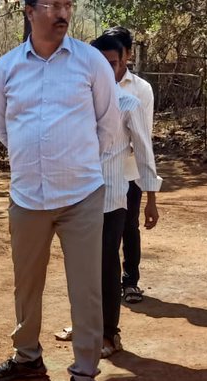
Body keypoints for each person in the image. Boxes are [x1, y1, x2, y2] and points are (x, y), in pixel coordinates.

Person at [0, 0, 122, 381]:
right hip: (27, 197)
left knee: (87, 288)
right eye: (52, 6)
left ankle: (84, 376)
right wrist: (37, 160)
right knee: (27, 284)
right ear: (29, 11)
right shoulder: (5, 70)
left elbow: (107, 125)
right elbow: (5, 129)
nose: (62, 14)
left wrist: (71, 163)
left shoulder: (91, 63)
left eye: (67, 5)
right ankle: (27, 357)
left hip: (81, 194)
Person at [55, 32, 160, 356]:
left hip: (114, 194)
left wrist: (151, 196)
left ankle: (109, 334)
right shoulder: (76, 98)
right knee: (80, 265)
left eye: (112, 63)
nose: (106, 69)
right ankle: (84, 324)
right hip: (77, 194)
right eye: (99, 62)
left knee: (106, 264)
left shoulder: (131, 100)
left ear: (123, 61)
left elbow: (144, 149)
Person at [104, 25, 156, 303]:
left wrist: (150, 193)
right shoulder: (94, 82)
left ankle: (130, 282)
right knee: (103, 234)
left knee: (128, 226)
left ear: (127, 56)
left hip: (128, 171)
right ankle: (107, 286)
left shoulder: (140, 89)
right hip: (98, 173)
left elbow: (142, 136)